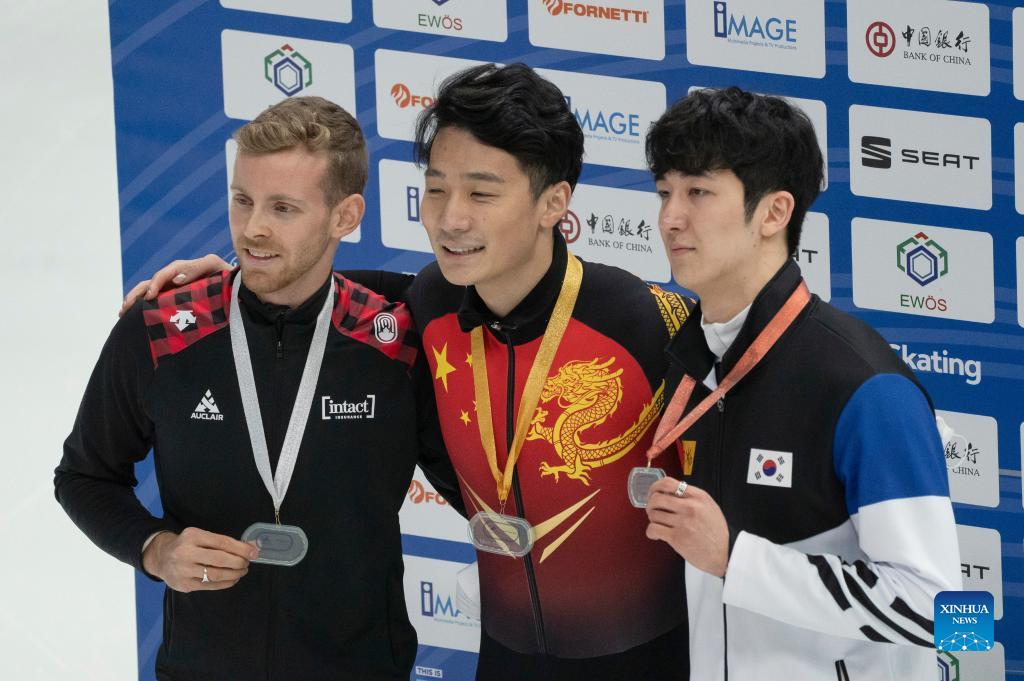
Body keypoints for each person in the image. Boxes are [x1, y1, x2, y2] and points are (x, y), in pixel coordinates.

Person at [122, 65, 693, 680]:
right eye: (437, 189)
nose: (450, 219)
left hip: (652, 657)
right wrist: (232, 278)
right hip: (504, 659)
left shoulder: (642, 321)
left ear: (553, 203)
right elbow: (313, 288)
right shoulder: (429, 303)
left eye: (481, 194)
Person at [55, 96, 459, 681]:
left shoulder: (399, 343)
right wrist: (154, 549)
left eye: (283, 208)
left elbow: (476, 482)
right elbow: (83, 477)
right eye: (242, 200)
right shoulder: (160, 330)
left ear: (345, 216)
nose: (253, 229)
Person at [640, 86, 961, 680]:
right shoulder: (693, 357)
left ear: (774, 212)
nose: (669, 218)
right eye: (665, 192)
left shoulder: (864, 385)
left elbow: (947, 616)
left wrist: (737, 559)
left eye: (698, 192)